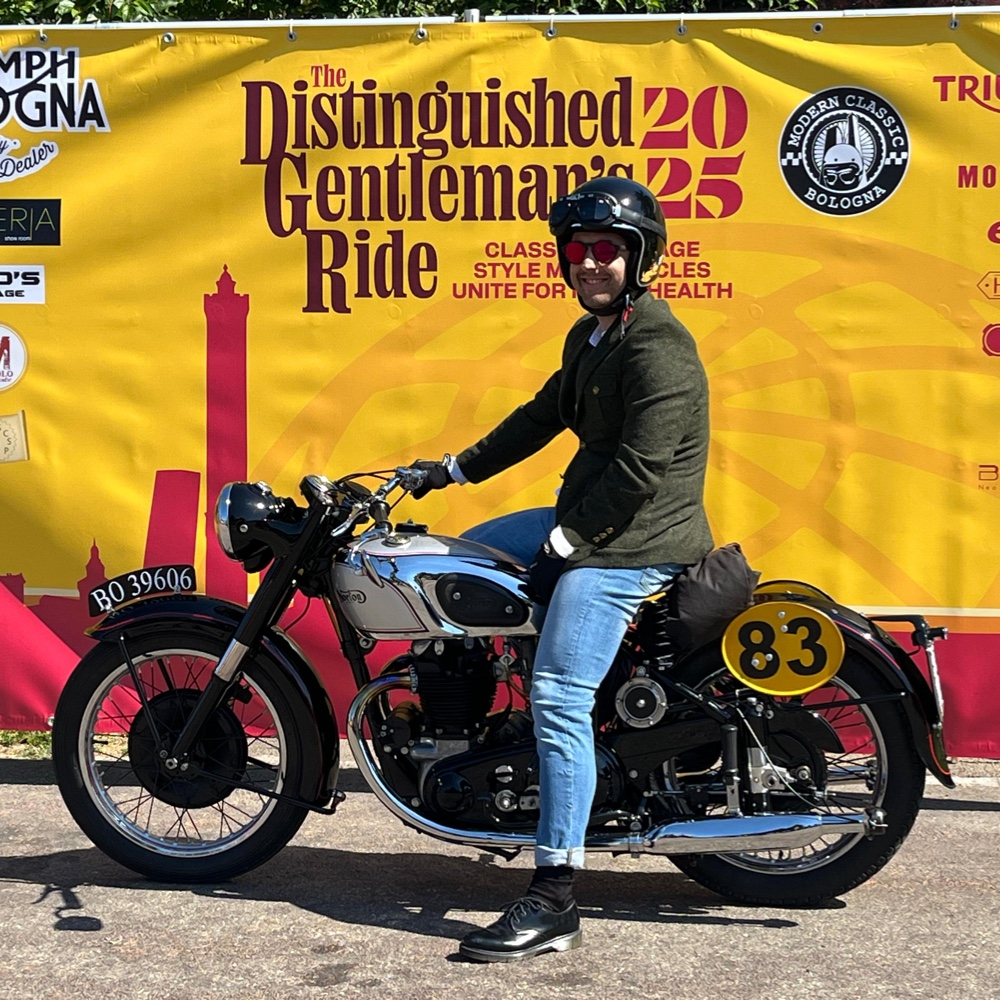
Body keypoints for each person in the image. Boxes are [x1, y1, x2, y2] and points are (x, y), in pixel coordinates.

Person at [410, 176, 713, 963]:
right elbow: (542, 415)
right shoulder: (593, 336)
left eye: (607, 249)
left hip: (635, 541)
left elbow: (640, 472)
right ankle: (495, 722)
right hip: (592, 522)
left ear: (639, 258)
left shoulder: (658, 347)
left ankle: (554, 898)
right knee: (463, 560)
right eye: (578, 249)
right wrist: (450, 470)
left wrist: (567, 545)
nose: (590, 262)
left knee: (559, 693)